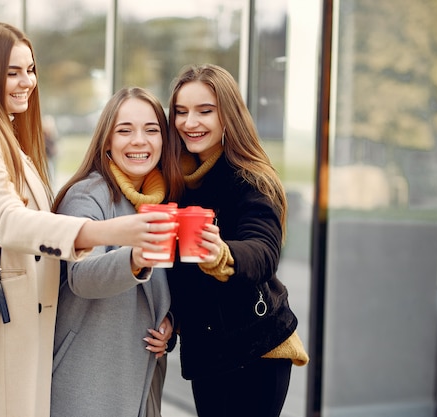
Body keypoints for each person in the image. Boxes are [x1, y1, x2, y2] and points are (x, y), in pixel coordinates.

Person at [0, 22, 175, 417]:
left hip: (8, 333)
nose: (28, 82)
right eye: (12, 72)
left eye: (30, 69)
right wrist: (109, 233)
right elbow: (8, 221)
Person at [166, 63, 309, 417]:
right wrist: (171, 320)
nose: (190, 122)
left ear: (228, 116)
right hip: (209, 351)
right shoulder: (176, 181)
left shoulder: (252, 178)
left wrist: (222, 253)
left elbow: (263, 250)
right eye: (181, 112)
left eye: (205, 111)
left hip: (257, 350)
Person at [50, 87, 184, 417]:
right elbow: (82, 275)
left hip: (139, 380)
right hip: (88, 382)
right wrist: (135, 258)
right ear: (106, 141)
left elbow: (156, 290)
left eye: (151, 130)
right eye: (125, 130)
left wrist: (168, 322)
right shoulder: (88, 195)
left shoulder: (158, 200)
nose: (140, 140)